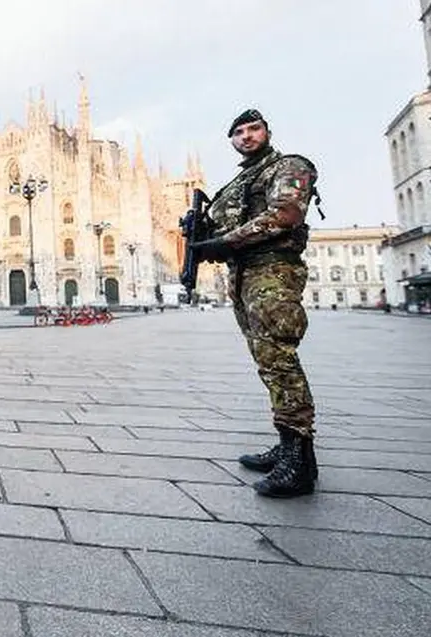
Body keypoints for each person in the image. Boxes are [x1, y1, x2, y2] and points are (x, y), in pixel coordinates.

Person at [189, 108, 320, 499]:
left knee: (280, 361)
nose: (246, 136)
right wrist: (201, 230)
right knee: (268, 361)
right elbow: (224, 224)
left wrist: (224, 243)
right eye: (239, 132)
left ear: (267, 132)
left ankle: (300, 461)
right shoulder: (239, 181)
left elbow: (285, 214)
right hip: (245, 276)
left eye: (253, 129)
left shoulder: (289, 166)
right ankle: (286, 445)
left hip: (273, 273)